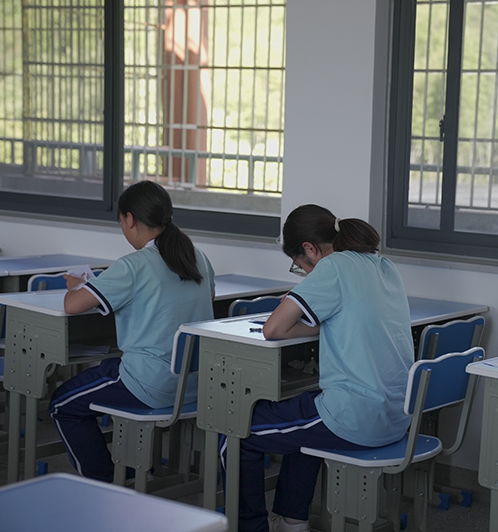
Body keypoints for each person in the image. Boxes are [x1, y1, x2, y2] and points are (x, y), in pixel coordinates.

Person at [227, 204, 414, 532]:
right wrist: (317, 320)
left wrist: (309, 318)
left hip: (356, 417)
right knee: (303, 413)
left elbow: (273, 329)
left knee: (235, 427)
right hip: (397, 416)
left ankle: (251, 526)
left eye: (298, 264)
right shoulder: (382, 264)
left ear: (310, 249)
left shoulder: (333, 266)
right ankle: (292, 520)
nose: (302, 271)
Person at [49, 180, 215, 482]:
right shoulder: (197, 256)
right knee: (106, 372)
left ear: (129, 219)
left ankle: (105, 482)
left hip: (149, 383)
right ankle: (129, 470)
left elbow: (72, 305)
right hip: (195, 384)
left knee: (62, 404)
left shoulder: (133, 265)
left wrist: (78, 285)